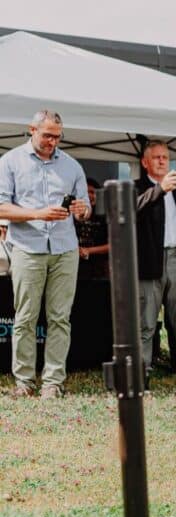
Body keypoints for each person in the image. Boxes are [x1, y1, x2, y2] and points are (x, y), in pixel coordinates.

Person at [0, 110, 90, 398]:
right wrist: (38, 213)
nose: (52, 141)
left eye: (57, 137)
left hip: (65, 248)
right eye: (47, 135)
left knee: (60, 318)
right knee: (26, 317)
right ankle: (24, 382)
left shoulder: (73, 166)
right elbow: (1, 208)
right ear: (32, 129)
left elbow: (86, 208)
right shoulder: (10, 162)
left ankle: (53, 382)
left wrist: (82, 210)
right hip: (27, 247)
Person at [134, 140, 176, 391]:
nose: (163, 161)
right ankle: (141, 377)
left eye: (165, 157)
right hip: (149, 262)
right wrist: (159, 190)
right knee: (145, 323)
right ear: (145, 162)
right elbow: (131, 211)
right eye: (157, 158)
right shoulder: (137, 187)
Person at [74, 177, 110, 280]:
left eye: (92, 192)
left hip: (99, 270)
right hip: (74, 269)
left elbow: (113, 245)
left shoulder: (105, 216)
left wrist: (88, 250)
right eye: (86, 192)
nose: (89, 195)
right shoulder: (71, 216)